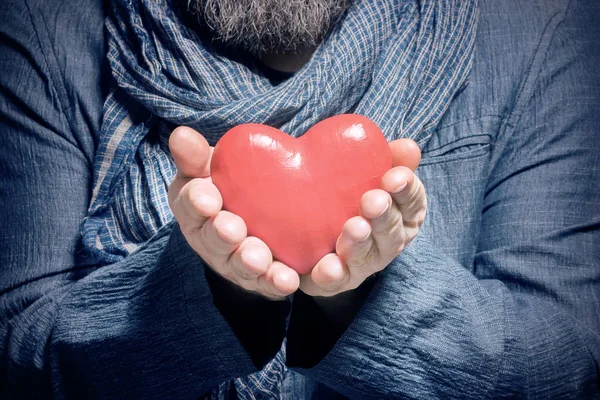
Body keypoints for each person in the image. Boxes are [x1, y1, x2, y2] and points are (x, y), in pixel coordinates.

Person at [0, 0, 598, 398]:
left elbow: (568, 363)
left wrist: (362, 292)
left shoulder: (542, 28)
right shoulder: (44, 26)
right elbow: (14, 360)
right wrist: (213, 290)